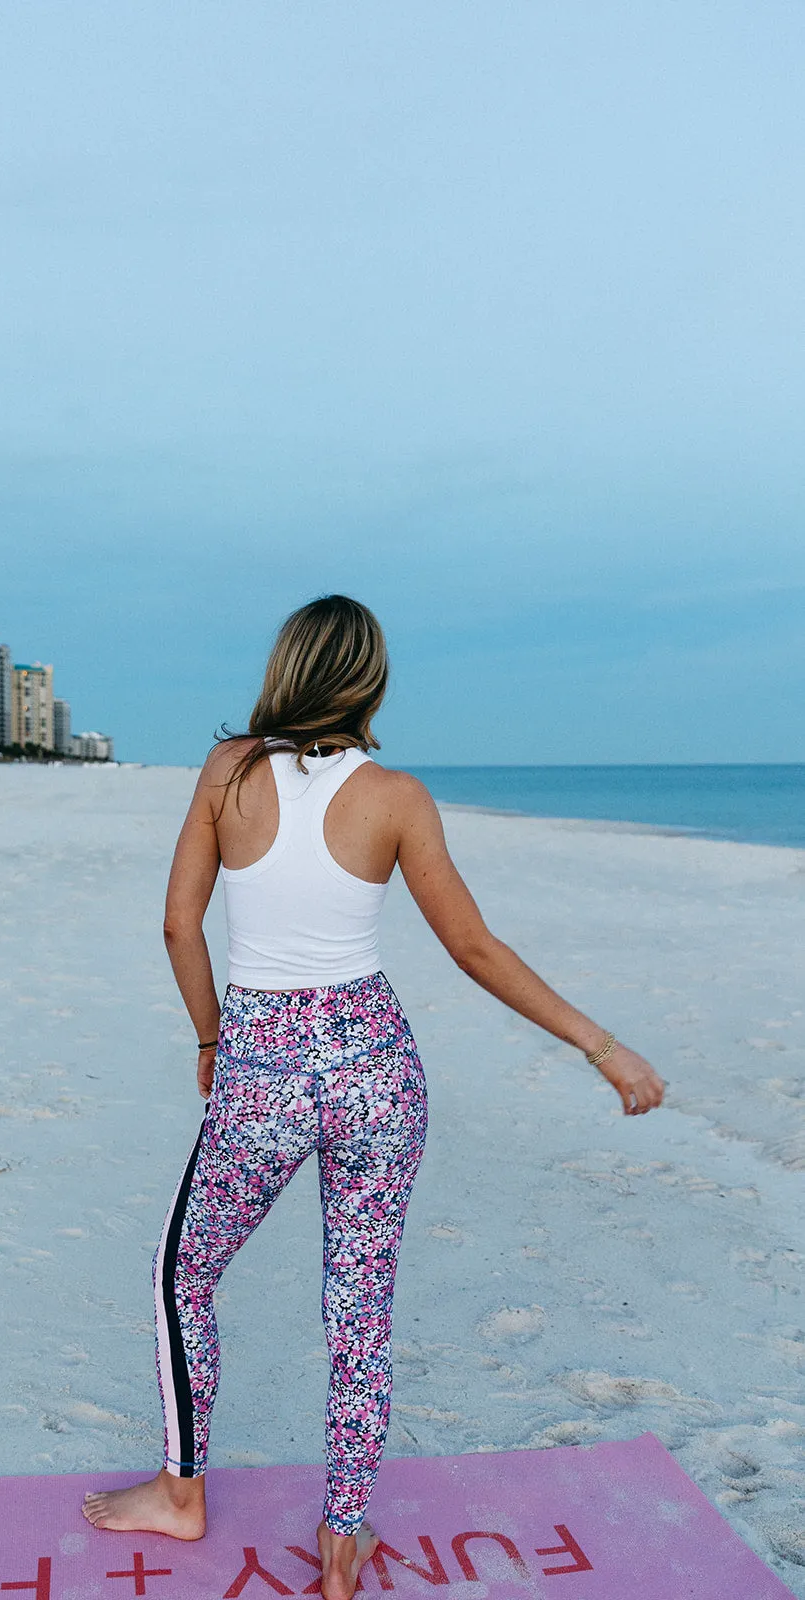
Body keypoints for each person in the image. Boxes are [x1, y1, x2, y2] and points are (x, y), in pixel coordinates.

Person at [82, 594, 664, 1600]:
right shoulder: (396, 796)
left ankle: (182, 1492)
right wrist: (599, 1045)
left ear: (286, 668)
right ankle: (342, 1534)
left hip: (262, 1066)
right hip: (375, 1069)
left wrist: (212, 1037)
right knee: (358, 1309)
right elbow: (473, 948)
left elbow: (179, 926)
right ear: (369, 680)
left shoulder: (228, 773)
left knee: (182, 1276)